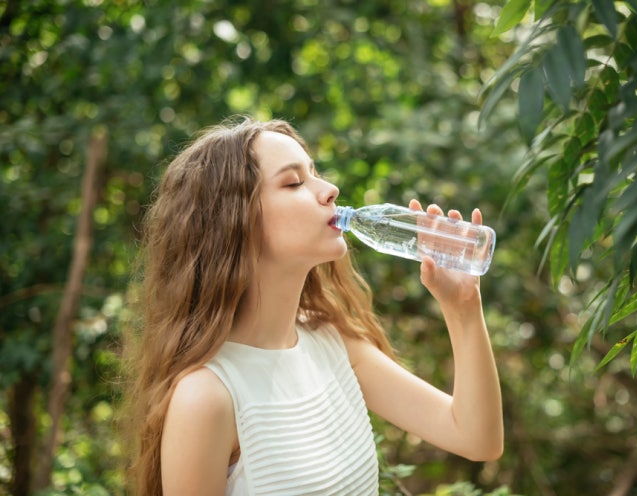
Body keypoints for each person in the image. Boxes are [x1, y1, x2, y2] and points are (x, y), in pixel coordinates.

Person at [122, 115, 504, 496]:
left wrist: (463, 308)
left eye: (315, 173)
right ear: (235, 222)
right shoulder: (206, 397)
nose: (331, 190)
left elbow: (476, 438)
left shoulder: (331, 342)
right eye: (294, 182)